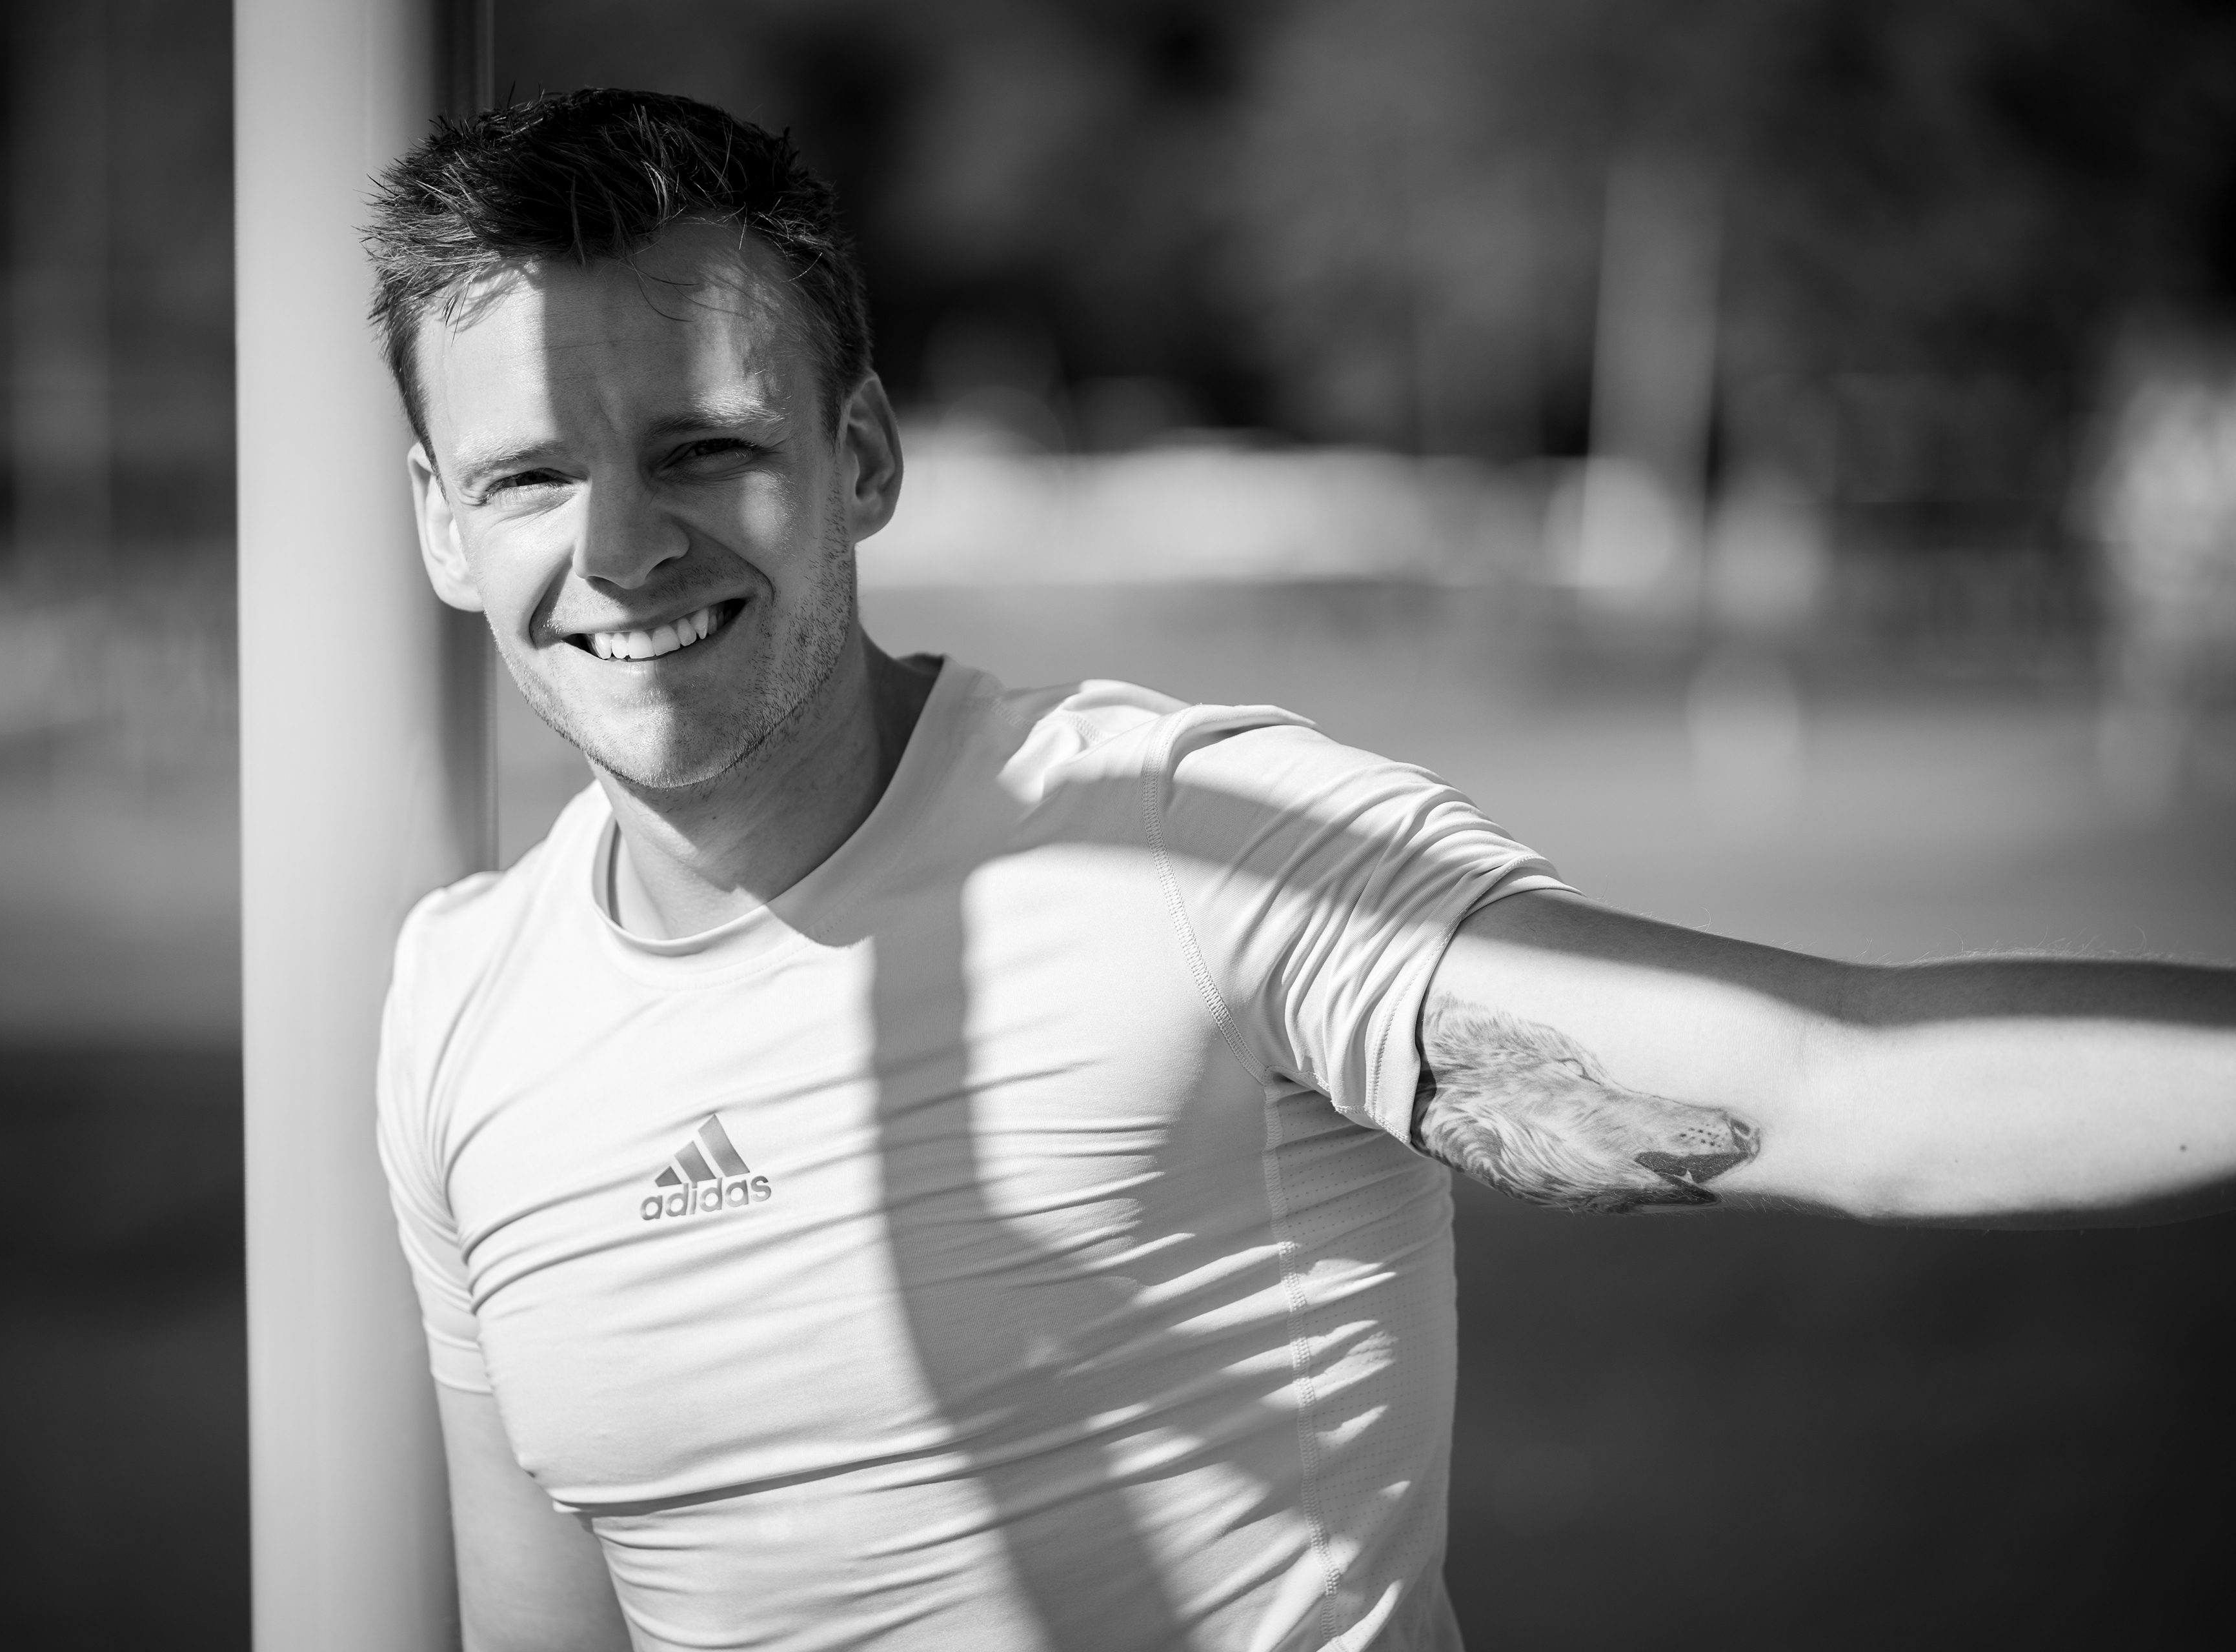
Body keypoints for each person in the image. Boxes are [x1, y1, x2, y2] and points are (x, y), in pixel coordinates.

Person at [363, 89, 2235, 1652]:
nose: (621, 547)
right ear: (442, 527)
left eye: (703, 449)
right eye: (529, 477)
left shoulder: (1182, 844)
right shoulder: (460, 1005)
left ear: (858, 457)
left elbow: (1840, 1084)